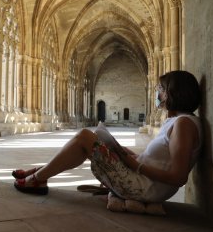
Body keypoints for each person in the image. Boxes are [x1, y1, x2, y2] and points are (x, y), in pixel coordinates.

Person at [12, 70, 202, 203]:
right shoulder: (178, 121)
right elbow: (161, 160)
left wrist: (135, 164)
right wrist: (125, 153)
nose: (157, 93)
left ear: (172, 93)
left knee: (85, 137)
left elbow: (178, 177)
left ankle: (37, 178)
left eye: (160, 89)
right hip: (142, 181)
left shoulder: (184, 124)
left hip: (144, 189)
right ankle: (40, 173)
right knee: (93, 138)